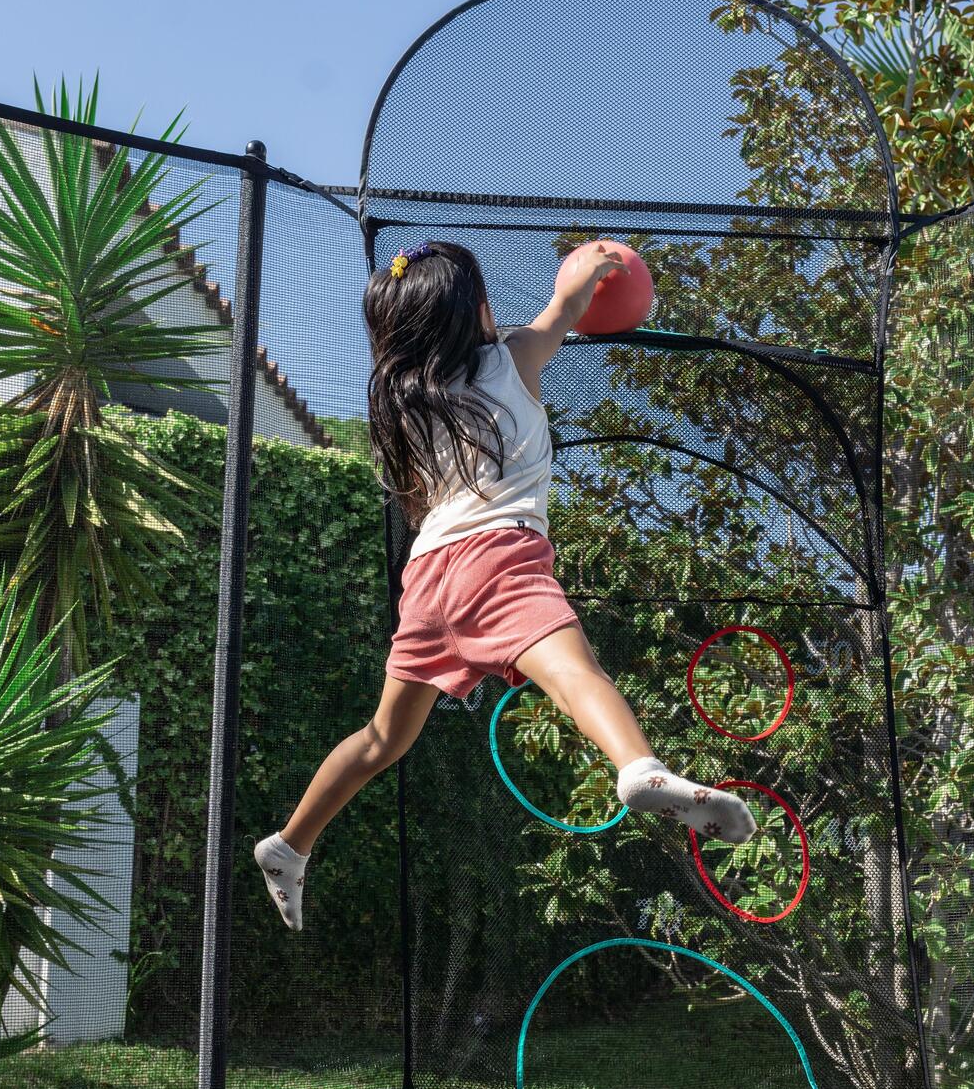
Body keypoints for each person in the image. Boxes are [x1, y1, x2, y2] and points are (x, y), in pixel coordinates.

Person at [253, 240, 756, 930]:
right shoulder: (511, 356)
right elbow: (570, 302)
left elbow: (563, 306)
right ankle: (638, 766)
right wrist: (599, 263)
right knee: (577, 673)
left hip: (429, 579)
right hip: (500, 560)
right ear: (480, 312)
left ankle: (290, 842)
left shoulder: (403, 403)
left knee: (382, 737)